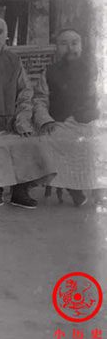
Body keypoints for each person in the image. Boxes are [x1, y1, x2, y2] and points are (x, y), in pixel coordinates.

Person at [0, 16, 55, 209]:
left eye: (0, 32)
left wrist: (23, 121)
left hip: (13, 122)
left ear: (6, 35)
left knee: (28, 143)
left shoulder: (15, 61)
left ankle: (20, 191)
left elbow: (26, 92)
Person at [34, 28, 106, 206]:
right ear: (57, 48)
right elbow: (39, 100)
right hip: (61, 123)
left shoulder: (95, 69)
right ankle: (74, 188)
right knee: (50, 141)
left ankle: (99, 189)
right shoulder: (49, 72)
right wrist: (46, 120)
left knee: (100, 142)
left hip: (91, 121)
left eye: (74, 43)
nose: (70, 48)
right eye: (64, 44)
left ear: (81, 46)